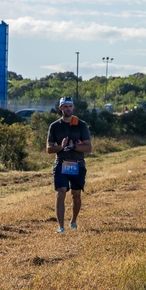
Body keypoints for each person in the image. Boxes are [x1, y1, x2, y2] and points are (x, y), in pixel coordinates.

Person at [46, 97, 93, 233]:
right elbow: (49, 149)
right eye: (65, 106)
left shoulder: (81, 125)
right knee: (60, 193)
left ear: (73, 107)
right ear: (60, 108)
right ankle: (61, 226)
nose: (68, 109)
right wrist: (61, 147)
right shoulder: (54, 126)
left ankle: (73, 221)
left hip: (77, 164)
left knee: (76, 194)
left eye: (70, 106)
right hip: (61, 164)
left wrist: (75, 147)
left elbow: (89, 148)